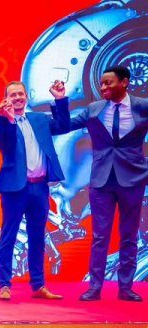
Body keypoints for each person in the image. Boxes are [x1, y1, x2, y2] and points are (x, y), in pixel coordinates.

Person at [69, 65, 148, 302]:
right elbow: (63, 125)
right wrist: (61, 100)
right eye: (102, 83)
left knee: (129, 236)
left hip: (132, 179)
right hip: (102, 181)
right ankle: (94, 287)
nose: (103, 87)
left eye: (108, 83)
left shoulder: (142, 106)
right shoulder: (94, 109)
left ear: (124, 82)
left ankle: (126, 288)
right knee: (100, 236)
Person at [0, 80, 69, 300]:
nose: (17, 98)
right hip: (15, 189)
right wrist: (6, 119)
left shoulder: (39, 119)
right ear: (6, 99)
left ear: (26, 96)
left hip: (40, 187)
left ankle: (38, 285)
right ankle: (4, 285)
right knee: (9, 236)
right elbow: (3, 142)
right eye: (12, 95)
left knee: (38, 236)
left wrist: (60, 99)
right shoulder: (0, 123)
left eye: (20, 94)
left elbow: (63, 126)